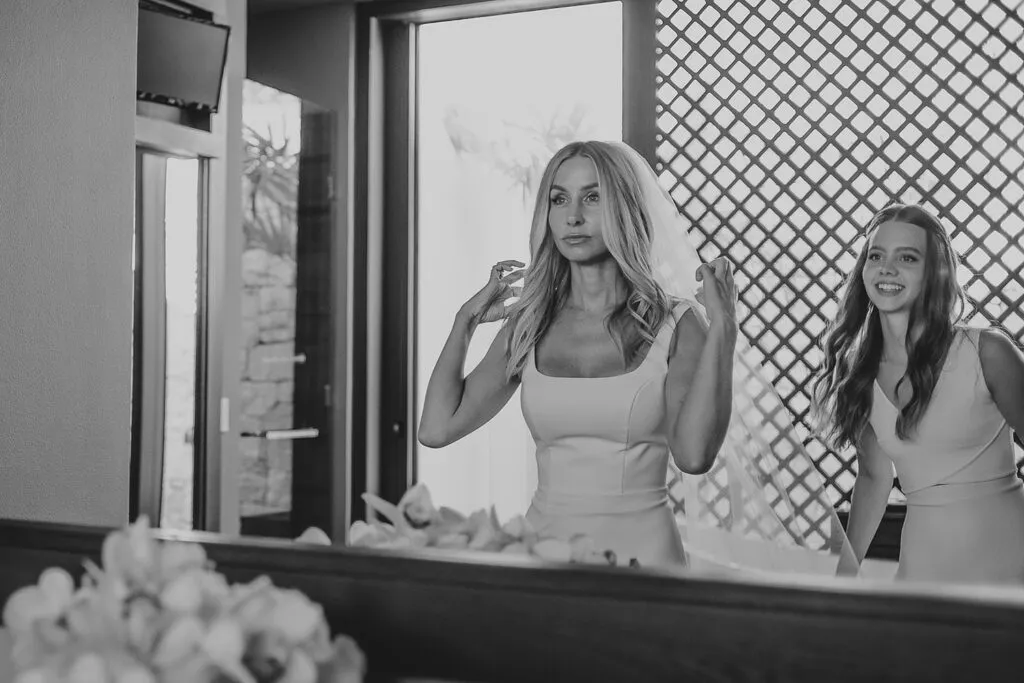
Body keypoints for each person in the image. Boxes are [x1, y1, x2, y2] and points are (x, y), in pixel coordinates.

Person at [419, 140, 854, 571]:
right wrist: (465, 321)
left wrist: (724, 329)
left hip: (645, 563)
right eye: (559, 199)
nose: (573, 216)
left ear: (625, 209)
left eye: (593, 197)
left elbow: (694, 456)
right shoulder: (528, 325)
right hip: (544, 558)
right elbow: (437, 429)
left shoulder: (677, 324)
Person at [812, 203, 1024, 584]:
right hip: (922, 569)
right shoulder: (860, 374)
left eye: (907, 257)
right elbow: (875, 478)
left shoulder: (988, 353)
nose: (887, 268)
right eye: (876, 255)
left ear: (934, 273)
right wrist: (842, 576)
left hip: (1010, 560)